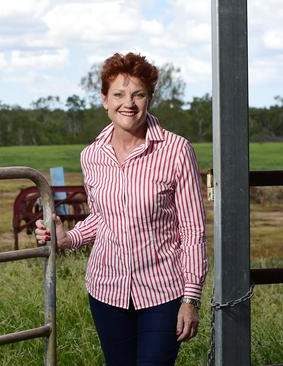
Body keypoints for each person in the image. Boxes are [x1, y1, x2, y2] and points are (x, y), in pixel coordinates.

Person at [35, 52, 207, 366]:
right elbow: (102, 217)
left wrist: (191, 297)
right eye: (119, 94)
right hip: (107, 290)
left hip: (162, 291)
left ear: (150, 98)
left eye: (138, 94)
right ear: (104, 99)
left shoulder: (176, 151)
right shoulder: (92, 156)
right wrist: (66, 237)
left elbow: (193, 230)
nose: (128, 103)